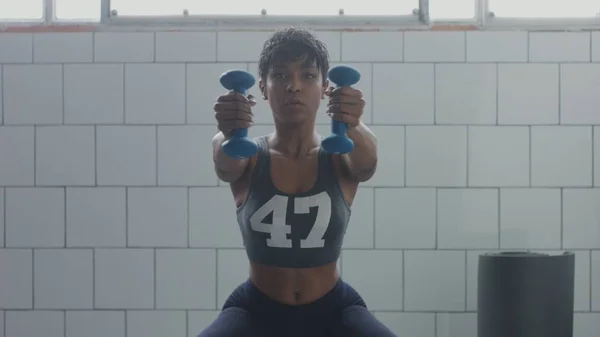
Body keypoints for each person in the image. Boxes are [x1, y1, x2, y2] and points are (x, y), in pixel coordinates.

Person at [201, 27, 396, 337]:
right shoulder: (247, 154)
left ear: (325, 88)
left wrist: (354, 123)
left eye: (307, 76)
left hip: (332, 309)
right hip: (257, 309)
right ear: (262, 88)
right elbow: (224, 165)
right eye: (280, 76)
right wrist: (228, 130)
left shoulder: (341, 152)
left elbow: (367, 163)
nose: (293, 86)